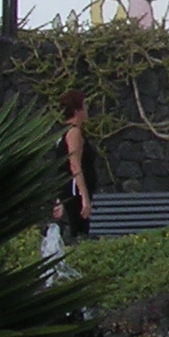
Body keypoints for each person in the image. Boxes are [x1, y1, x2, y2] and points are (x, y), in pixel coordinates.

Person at [53, 90, 98, 242]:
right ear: (77, 110)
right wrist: (85, 198)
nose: (87, 109)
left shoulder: (64, 132)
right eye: (84, 105)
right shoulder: (74, 132)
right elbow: (74, 165)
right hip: (74, 192)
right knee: (78, 233)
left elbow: (62, 167)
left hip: (68, 191)